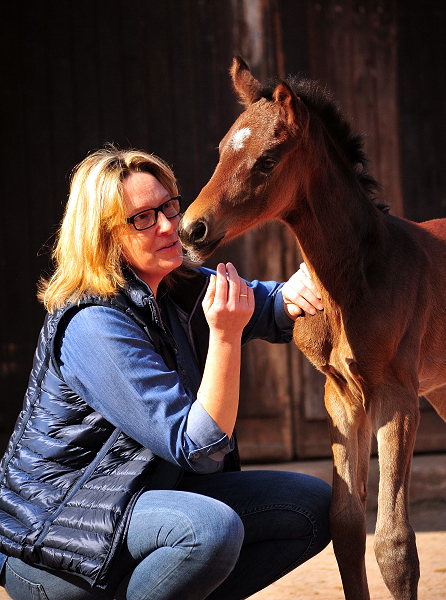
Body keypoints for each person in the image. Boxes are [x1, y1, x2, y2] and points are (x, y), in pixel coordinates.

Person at [0, 146, 330, 600]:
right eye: (142, 218)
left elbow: (268, 304)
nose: (168, 224)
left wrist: (305, 286)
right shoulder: (93, 323)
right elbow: (198, 446)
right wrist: (225, 337)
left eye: (168, 206)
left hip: (140, 502)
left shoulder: (177, 284)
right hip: (61, 534)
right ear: (104, 236)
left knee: (312, 508)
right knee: (208, 531)